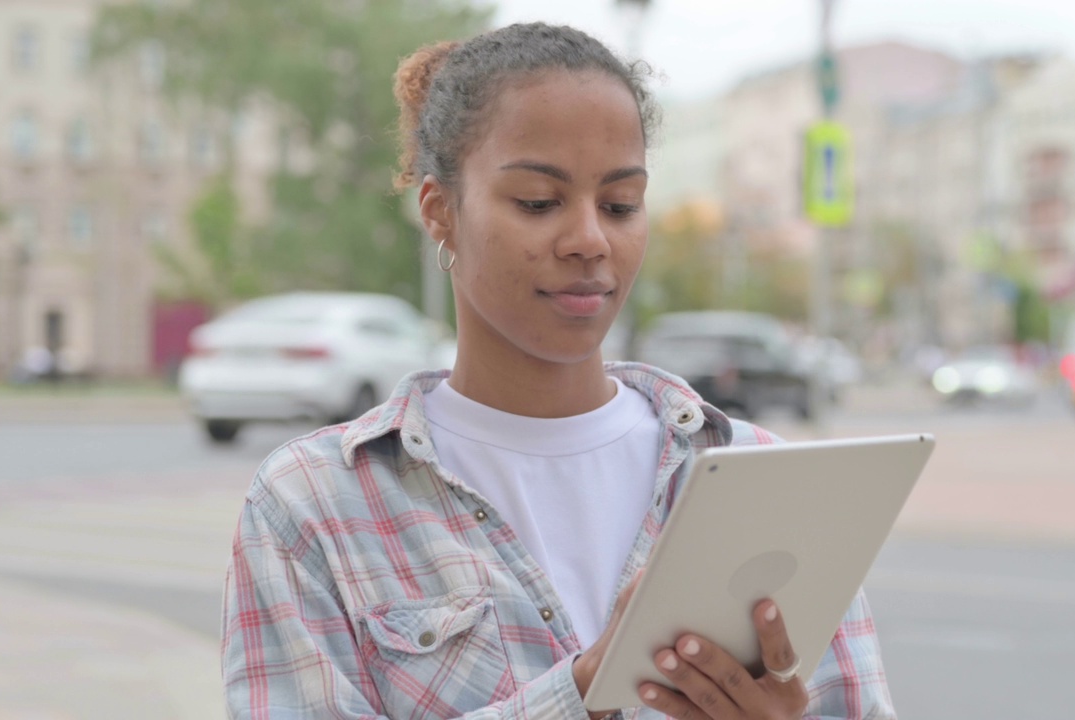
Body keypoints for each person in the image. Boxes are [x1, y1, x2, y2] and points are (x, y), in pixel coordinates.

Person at [221, 22, 895, 720]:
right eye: (539, 203)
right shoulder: (316, 503)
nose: (589, 240)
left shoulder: (763, 481)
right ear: (441, 212)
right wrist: (577, 697)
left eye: (620, 205)